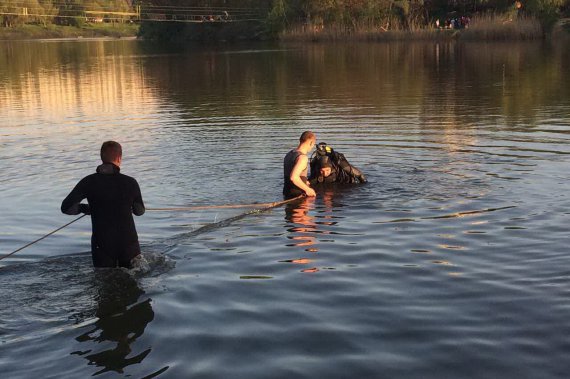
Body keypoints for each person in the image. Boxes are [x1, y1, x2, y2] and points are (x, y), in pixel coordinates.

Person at [61, 141, 145, 268]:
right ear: (119, 158)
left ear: (101, 157)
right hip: (129, 244)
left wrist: (85, 208)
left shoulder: (88, 181)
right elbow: (139, 211)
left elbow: (66, 208)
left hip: (102, 245)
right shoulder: (130, 182)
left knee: (103, 280)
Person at [283, 131, 317, 199]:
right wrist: (308, 190)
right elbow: (293, 177)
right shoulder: (302, 158)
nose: (312, 147)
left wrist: (304, 182)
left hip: (286, 193)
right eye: (313, 144)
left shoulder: (289, 154)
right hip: (298, 195)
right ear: (311, 143)